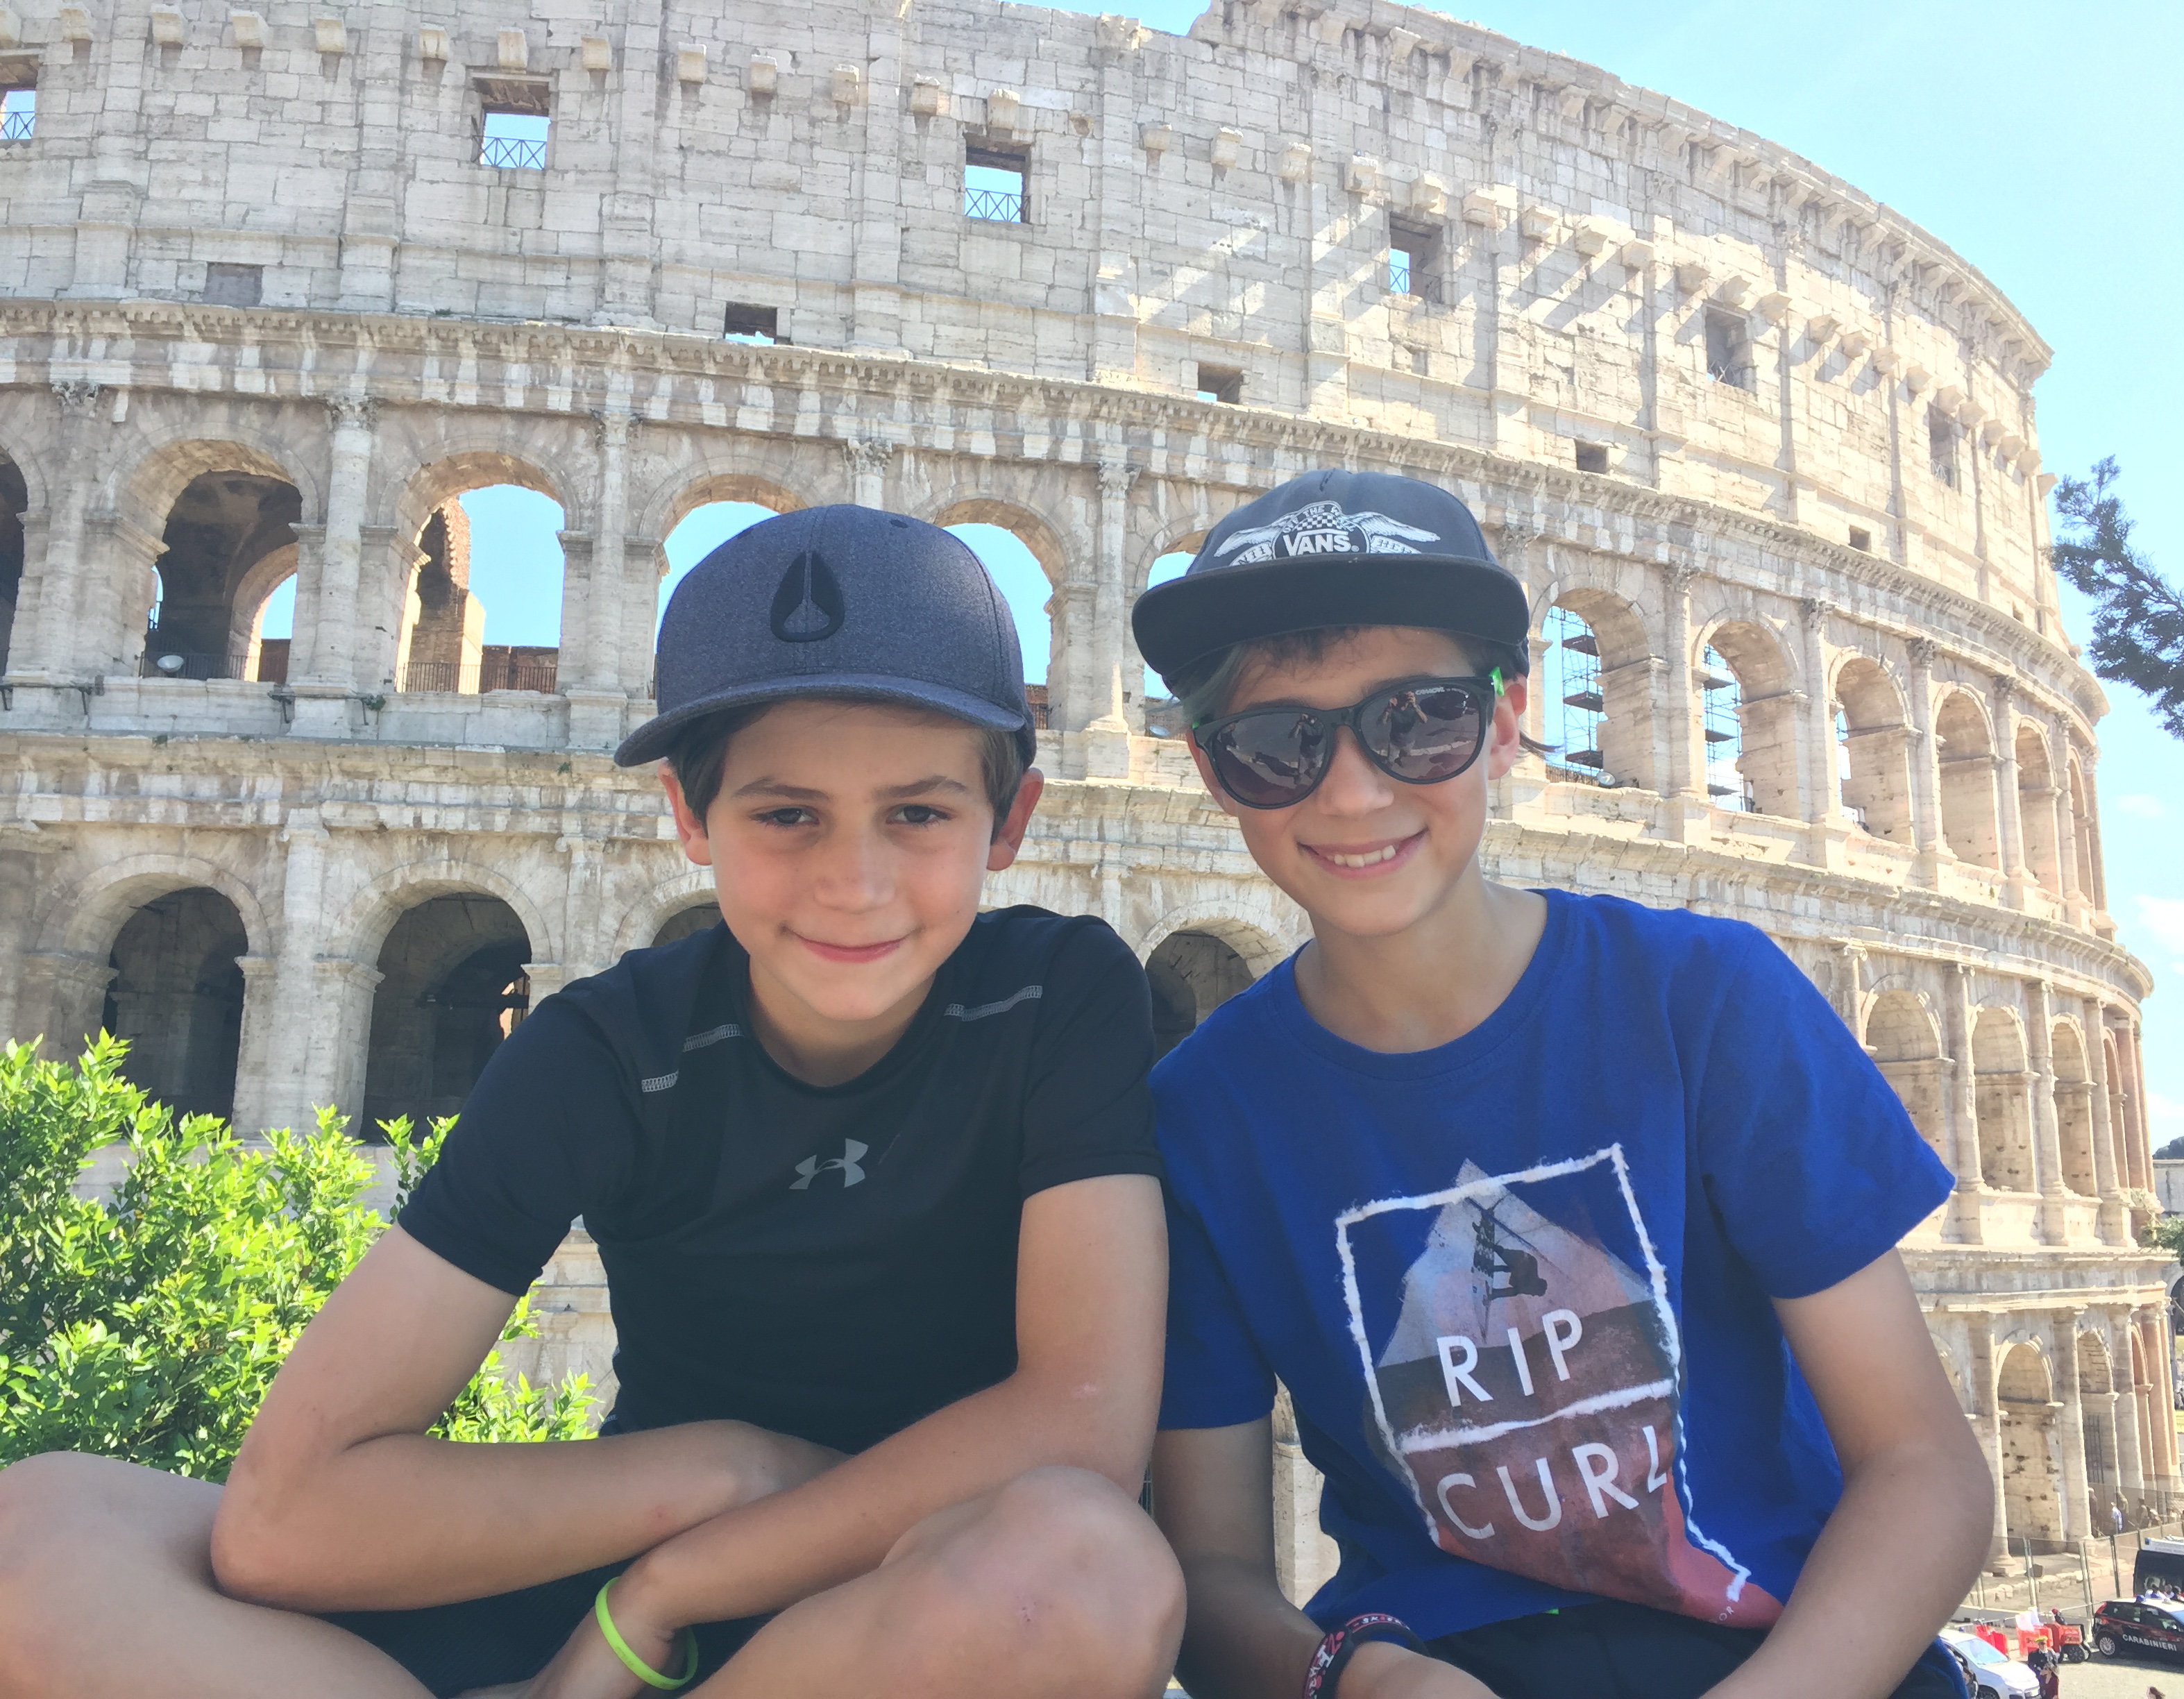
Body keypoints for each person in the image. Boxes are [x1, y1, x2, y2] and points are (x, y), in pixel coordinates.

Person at [0, 508, 1185, 1699]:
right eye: (787, 814)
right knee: (36, 1529)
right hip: (648, 1551)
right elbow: (285, 1521)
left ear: (1010, 824)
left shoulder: (1056, 993)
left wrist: (660, 1594)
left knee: (1084, 1572)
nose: (855, 881)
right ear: (689, 819)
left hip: (912, 1590)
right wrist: (734, 1470)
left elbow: (1080, 1429)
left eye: (918, 813)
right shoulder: (603, 1051)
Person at [1131, 470, 1990, 1699]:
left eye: (1418, 718)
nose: (1355, 790)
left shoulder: (1707, 999)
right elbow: (1208, 1576)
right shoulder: (1201, 1115)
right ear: (1215, 772)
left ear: (1506, 717)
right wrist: (1362, 1681)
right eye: (1279, 745)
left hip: (1796, 1660)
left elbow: (1926, 1467)